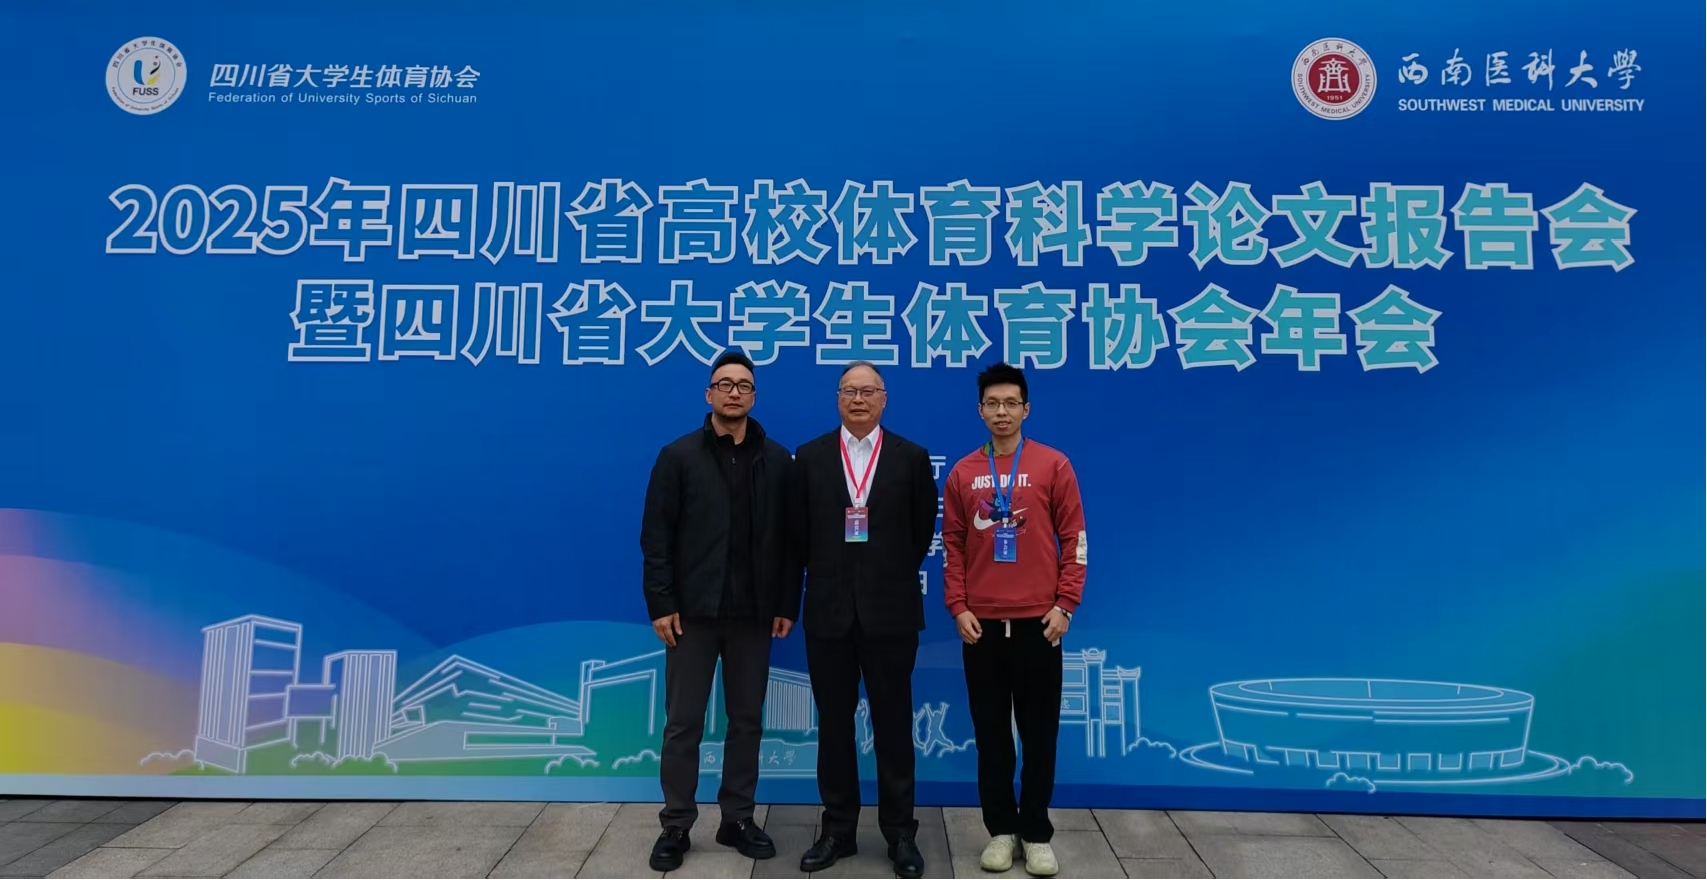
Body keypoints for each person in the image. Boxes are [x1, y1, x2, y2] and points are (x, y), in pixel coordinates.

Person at [639, 351, 798, 873]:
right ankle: (676, 824)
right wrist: (662, 604)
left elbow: (790, 542)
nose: (734, 392)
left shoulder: (777, 461)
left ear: (754, 396)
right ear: (709, 394)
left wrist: (785, 603)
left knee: (746, 722)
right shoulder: (678, 456)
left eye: (743, 385)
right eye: (724, 384)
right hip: (692, 616)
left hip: (754, 616)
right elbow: (656, 538)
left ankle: (738, 819)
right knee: (683, 724)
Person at [783, 361, 937, 878]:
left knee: (893, 725)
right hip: (828, 615)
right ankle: (838, 831)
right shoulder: (809, 457)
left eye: (868, 391)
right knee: (833, 727)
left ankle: (900, 834)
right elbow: (797, 537)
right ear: (837, 398)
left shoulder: (911, 457)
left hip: (891, 615)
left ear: (884, 399)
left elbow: (919, 534)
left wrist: (881, 578)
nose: (858, 399)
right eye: (849, 390)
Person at [941, 362, 1086, 878]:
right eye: (992, 403)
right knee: (991, 736)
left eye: (1010, 403)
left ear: (1026, 409)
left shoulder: (1053, 465)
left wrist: (1065, 605)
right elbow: (953, 545)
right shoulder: (962, 473)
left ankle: (1037, 832)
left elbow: (1075, 540)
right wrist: (958, 606)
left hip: (1039, 625)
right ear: (979, 410)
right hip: (980, 627)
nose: (1001, 412)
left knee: (1040, 735)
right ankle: (1001, 830)